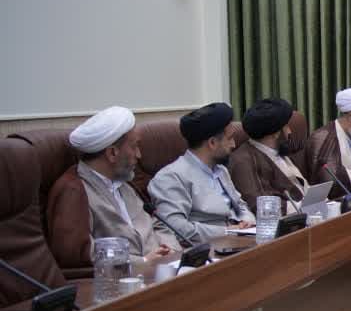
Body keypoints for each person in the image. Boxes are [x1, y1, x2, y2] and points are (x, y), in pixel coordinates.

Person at [47, 106, 180, 267]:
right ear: (112, 153)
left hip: (165, 270)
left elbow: (157, 223)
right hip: (124, 282)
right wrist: (143, 262)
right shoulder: (74, 190)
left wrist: (171, 252)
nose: (139, 155)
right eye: (134, 146)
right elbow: (79, 253)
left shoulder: (124, 182)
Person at [148, 103, 255, 245]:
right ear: (212, 143)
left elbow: (240, 205)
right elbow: (175, 228)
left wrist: (247, 221)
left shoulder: (220, 170)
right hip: (208, 250)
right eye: (230, 138)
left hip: (241, 241)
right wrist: (228, 231)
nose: (234, 144)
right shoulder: (171, 177)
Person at [228, 98, 310, 213]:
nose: (290, 132)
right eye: (286, 127)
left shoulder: (280, 151)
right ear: (276, 133)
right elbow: (258, 205)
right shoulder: (243, 161)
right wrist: (300, 207)